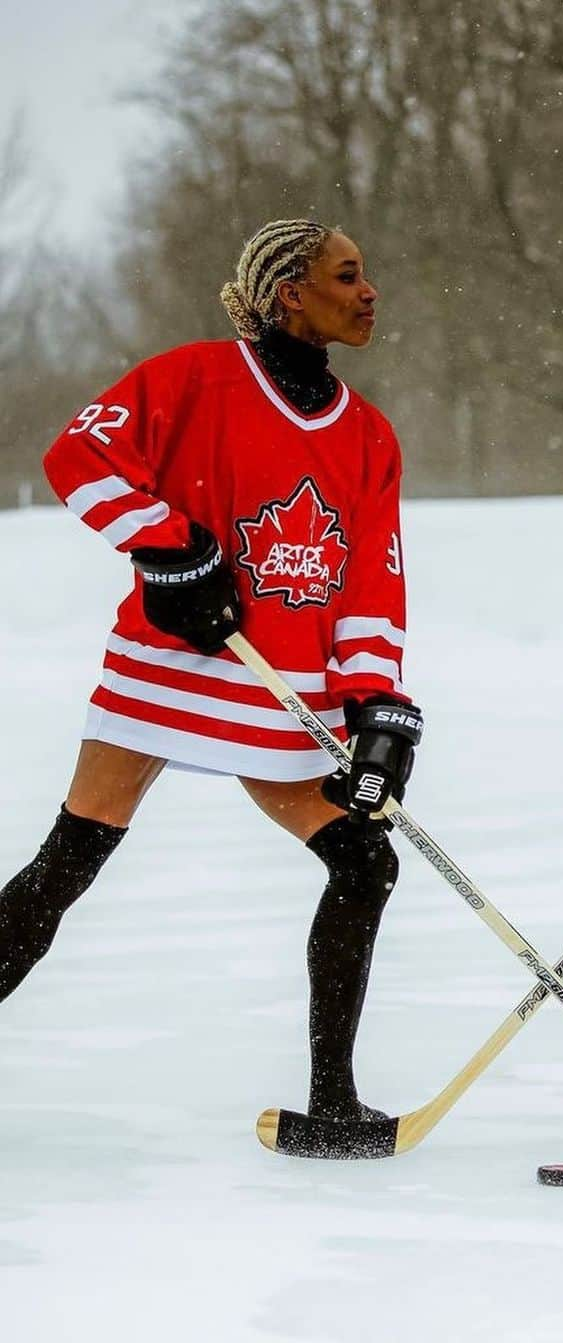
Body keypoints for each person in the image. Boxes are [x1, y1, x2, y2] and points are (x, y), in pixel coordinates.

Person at [0, 219, 423, 1124]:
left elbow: (368, 590)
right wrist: (170, 551)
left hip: (283, 691)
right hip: (169, 673)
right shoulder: (194, 377)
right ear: (288, 294)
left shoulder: (370, 438)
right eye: (347, 275)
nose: (369, 289)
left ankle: (332, 1103)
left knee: (366, 863)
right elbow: (76, 459)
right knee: (69, 862)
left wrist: (379, 706)